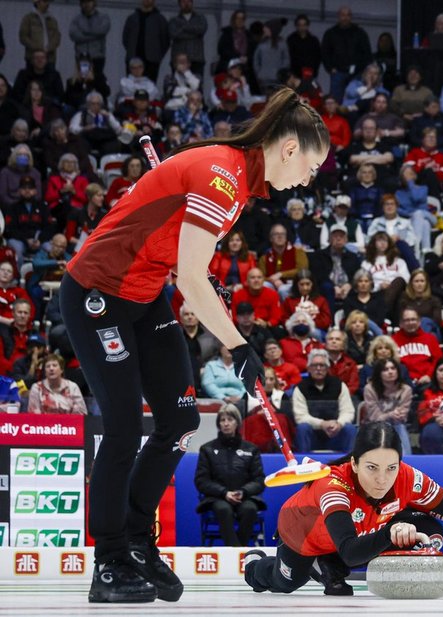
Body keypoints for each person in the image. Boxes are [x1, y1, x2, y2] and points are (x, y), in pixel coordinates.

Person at [59, 87, 330, 603]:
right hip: (98, 292)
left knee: (179, 420)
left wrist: (204, 289)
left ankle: (138, 540)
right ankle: (111, 557)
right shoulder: (223, 175)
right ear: (290, 149)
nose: (308, 180)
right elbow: (191, 279)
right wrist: (240, 345)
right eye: (311, 168)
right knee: (120, 427)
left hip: (142, 294)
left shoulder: (240, 182)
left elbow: (183, 262)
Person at [243, 421, 443, 595]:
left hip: (349, 534)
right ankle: (256, 566)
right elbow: (353, 552)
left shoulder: (409, 479)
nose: (382, 480)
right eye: (371, 468)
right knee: (284, 584)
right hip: (302, 534)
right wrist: (392, 534)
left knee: (427, 522)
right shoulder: (333, 487)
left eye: (391, 467)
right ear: (354, 463)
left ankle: (329, 568)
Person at [194, 404, 266, 546]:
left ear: (237, 423)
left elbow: (259, 480)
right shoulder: (207, 449)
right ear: (218, 424)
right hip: (217, 498)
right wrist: (224, 493)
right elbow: (201, 480)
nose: (226, 423)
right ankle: (237, 553)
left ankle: (238, 549)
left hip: (244, 497)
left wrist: (243, 492)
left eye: (230, 419)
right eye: (222, 420)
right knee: (223, 509)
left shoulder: (251, 449)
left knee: (250, 509)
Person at [293, 348, 357, 453]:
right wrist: (322, 424)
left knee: (350, 428)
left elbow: (348, 411)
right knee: (302, 428)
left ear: (328, 368)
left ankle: (350, 465)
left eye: (322, 365)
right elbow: (300, 417)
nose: (318, 369)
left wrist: (339, 424)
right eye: (314, 365)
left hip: (336, 433)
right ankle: (302, 465)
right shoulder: (300, 388)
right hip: (312, 435)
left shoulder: (339, 385)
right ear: (308, 368)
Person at [322, 6, 372, 102]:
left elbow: (367, 52)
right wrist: (329, 68)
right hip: (337, 73)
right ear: (338, 16)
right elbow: (325, 52)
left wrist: (363, 70)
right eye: (343, 15)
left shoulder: (360, 33)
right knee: (336, 101)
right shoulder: (331, 33)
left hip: (357, 73)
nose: (345, 18)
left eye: (348, 15)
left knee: (355, 100)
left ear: (351, 17)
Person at [391, 307, 442, 388]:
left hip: (427, 382)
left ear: (419, 322)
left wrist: (429, 375)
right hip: (401, 383)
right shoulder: (392, 341)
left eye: (413, 319)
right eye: (407, 320)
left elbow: (439, 361)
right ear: (401, 323)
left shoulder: (430, 339)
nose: (410, 322)